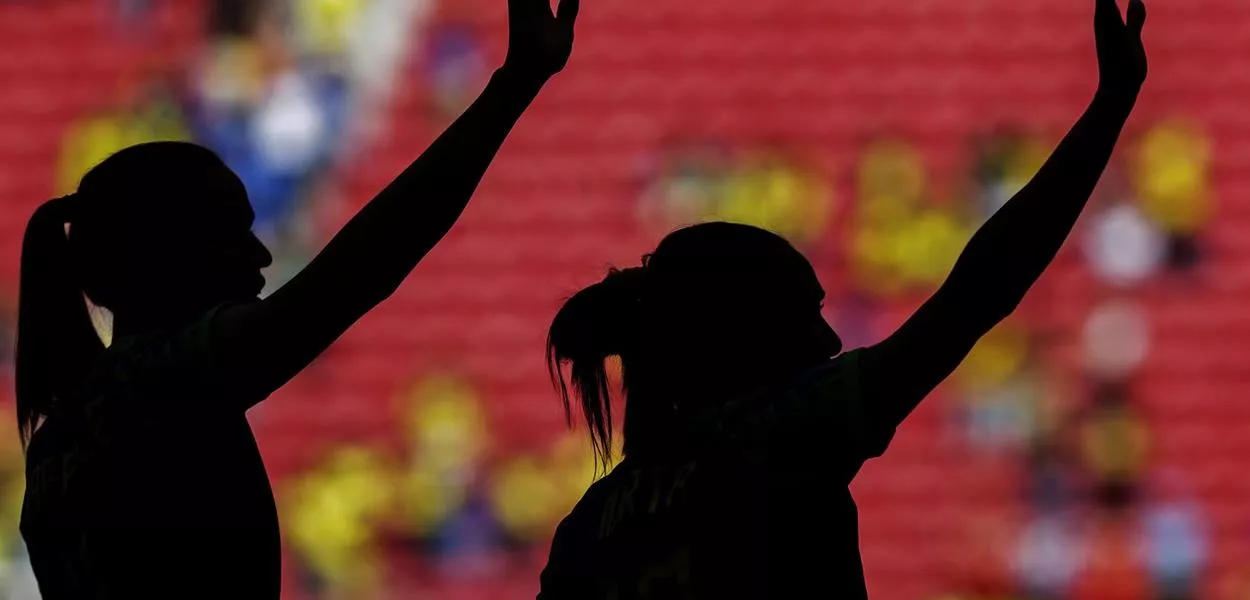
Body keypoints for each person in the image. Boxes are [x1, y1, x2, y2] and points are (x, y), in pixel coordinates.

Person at [537, 1, 1147, 598]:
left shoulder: (586, 529)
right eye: (805, 317)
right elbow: (979, 293)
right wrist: (1109, 110)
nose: (830, 342)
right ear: (741, 337)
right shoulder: (783, 435)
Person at [13, 0, 578, 597]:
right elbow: (360, 269)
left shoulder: (63, 437)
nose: (260, 259)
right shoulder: (167, 379)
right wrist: (513, 86)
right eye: (231, 233)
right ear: (167, 249)